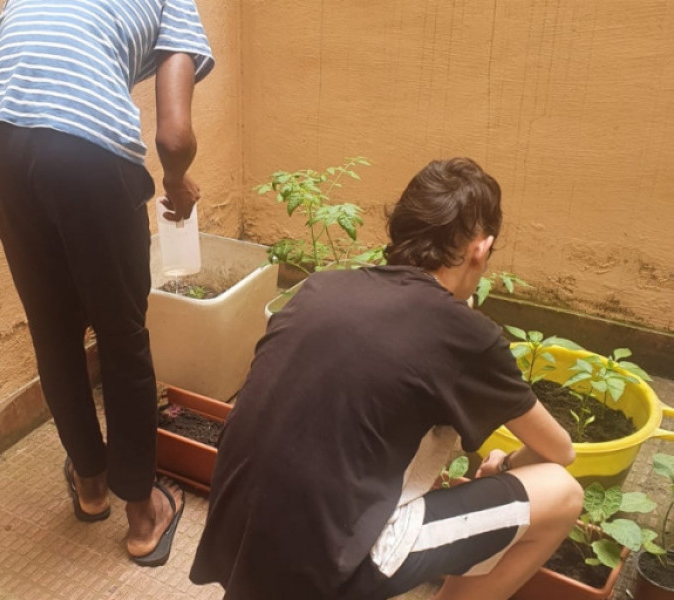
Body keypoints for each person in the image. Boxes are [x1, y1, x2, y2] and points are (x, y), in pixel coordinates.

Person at [189, 157, 584, 598]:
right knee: (562, 493)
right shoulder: (462, 333)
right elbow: (560, 450)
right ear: (480, 248)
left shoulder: (322, 287)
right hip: (323, 571)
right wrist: (503, 467)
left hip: (236, 539)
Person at [0, 0, 214, 567]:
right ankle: (142, 514)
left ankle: (91, 484)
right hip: (84, 151)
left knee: (53, 331)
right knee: (121, 334)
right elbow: (175, 137)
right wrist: (176, 183)